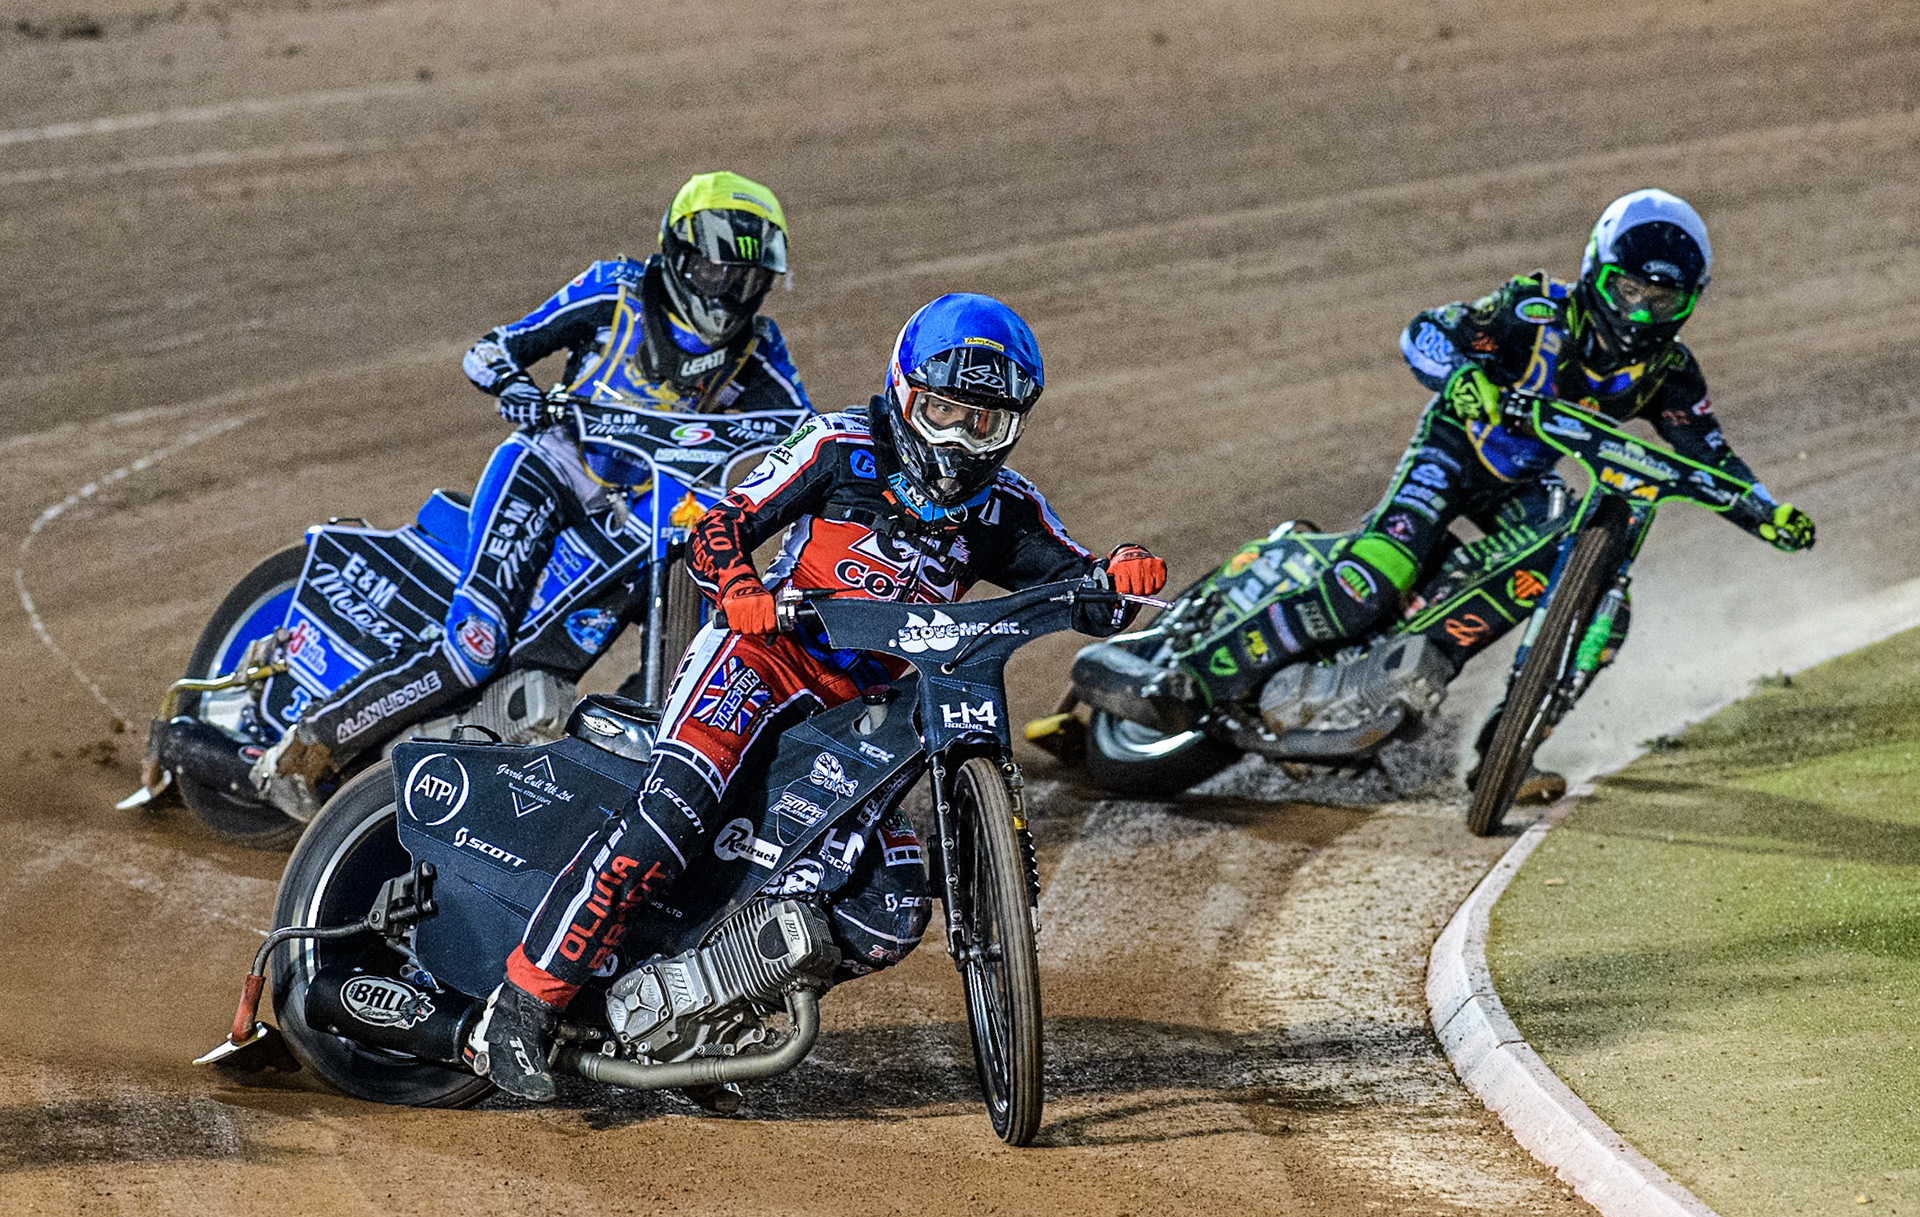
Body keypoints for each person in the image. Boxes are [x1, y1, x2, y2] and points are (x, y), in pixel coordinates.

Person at [477, 292, 1169, 1100]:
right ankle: (520, 1008)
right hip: (760, 659)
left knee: (892, 908)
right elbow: (717, 523)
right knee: (667, 819)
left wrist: (1121, 573)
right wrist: (738, 584)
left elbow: (1085, 588)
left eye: (982, 422)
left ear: (1013, 426)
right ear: (904, 393)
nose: (956, 438)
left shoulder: (1005, 510)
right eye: (943, 409)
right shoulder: (838, 447)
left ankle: (707, 1018)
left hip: (865, 716)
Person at [1189, 189, 1815, 772]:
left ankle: (1499, 749)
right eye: (1626, 290)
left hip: (1524, 482)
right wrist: (1461, 375)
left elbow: (1712, 459)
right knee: (1377, 578)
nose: (1639, 311)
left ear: (1689, 302)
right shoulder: (1532, 311)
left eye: (1662, 300)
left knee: (1589, 593)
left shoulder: (1671, 375)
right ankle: (1194, 671)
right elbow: (1425, 331)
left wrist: (1768, 512)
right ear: (1597, 272)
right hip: (1455, 451)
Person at [254, 171, 811, 817]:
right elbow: (491, 351)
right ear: (680, 257)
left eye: (749, 281)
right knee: (477, 645)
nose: (733, 295)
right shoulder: (618, 289)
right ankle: (313, 740)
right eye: (720, 274)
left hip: (641, 519)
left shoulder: (759, 347)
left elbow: (803, 429)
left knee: (694, 654)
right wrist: (519, 389)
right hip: (550, 470)